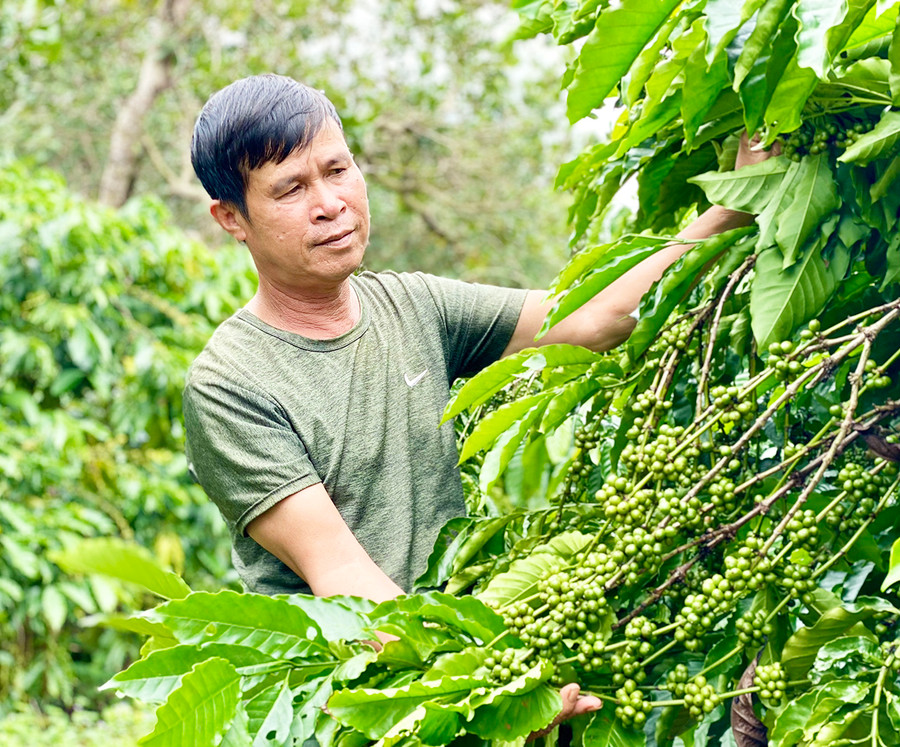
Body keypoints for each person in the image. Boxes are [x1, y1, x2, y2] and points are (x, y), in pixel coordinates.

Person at [184, 73, 773, 726]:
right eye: (291, 188)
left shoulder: (415, 306)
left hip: (456, 676)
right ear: (231, 217)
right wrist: (507, 688)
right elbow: (345, 579)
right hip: (344, 707)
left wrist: (736, 203)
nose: (331, 203)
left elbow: (597, 317)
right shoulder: (231, 383)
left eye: (338, 169)